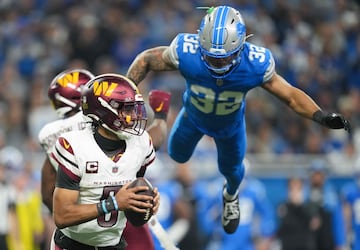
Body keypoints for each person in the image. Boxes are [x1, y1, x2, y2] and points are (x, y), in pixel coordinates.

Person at [126, 5, 351, 234]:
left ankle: (230, 196)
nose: (218, 64)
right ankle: (162, 118)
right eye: (212, 58)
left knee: (232, 172)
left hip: (230, 127)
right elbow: (146, 60)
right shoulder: (186, 50)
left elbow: (291, 96)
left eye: (224, 58)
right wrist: (123, 90)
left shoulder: (255, 64)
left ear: (241, 46)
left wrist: (320, 115)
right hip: (193, 116)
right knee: (176, 154)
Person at [38, 69, 171, 249]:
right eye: (126, 108)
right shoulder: (75, 144)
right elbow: (61, 216)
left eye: (133, 107)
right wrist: (115, 203)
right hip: (74, 244)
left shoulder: (139, 143)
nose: (133, 116)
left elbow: (47, 197)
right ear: (102, 110)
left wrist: (144, 200)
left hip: (114, 242)